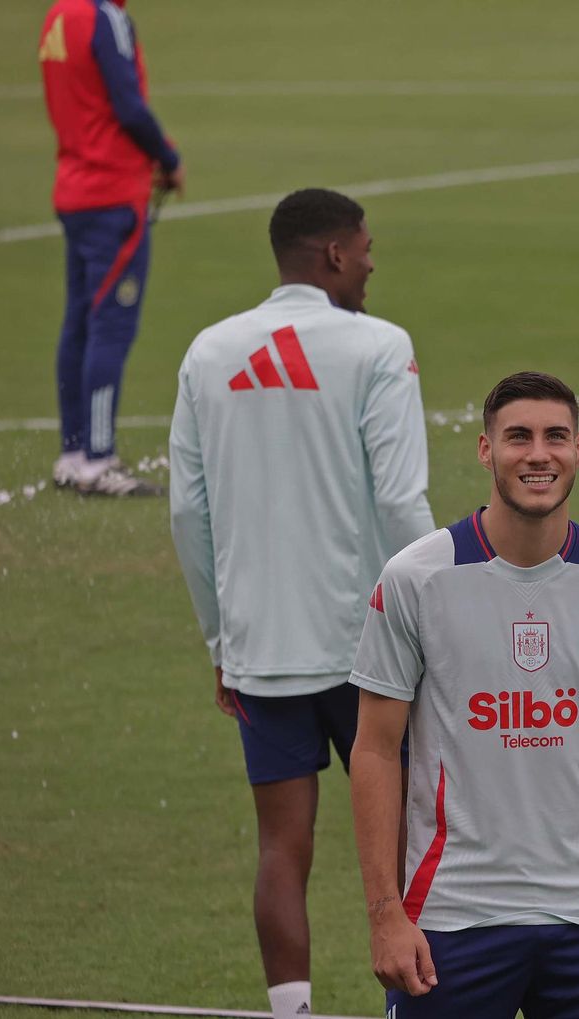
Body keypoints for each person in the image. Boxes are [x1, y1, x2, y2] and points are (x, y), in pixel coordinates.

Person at [349, 371, 579, 1016]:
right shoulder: (416, 579)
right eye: (518, 437)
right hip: (452, 919)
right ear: (486, 450)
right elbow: (373, 750)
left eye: (555, 437)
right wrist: (384, 914)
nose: (539, 454)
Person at [169, 188, 435, 1019]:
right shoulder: (378, 346)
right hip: (371, 651)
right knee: (404, 835)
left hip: (262, 649)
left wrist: (222, 638)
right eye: (363, 249)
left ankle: (292, 1015)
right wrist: (438, 619)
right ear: (331, 256)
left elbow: (187, 510)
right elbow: (401, 500)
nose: (370, 262)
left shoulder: (207, 351)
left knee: (282, 846)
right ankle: (409, 1007)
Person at [40, 0, 183, 496]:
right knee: (110, 324)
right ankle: (98, 461)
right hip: (113, 193)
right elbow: (128, 105)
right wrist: (167, 157)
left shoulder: (59, 14)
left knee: (79, 320)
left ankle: (72, 453)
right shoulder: (106, 17)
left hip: (75, 186)